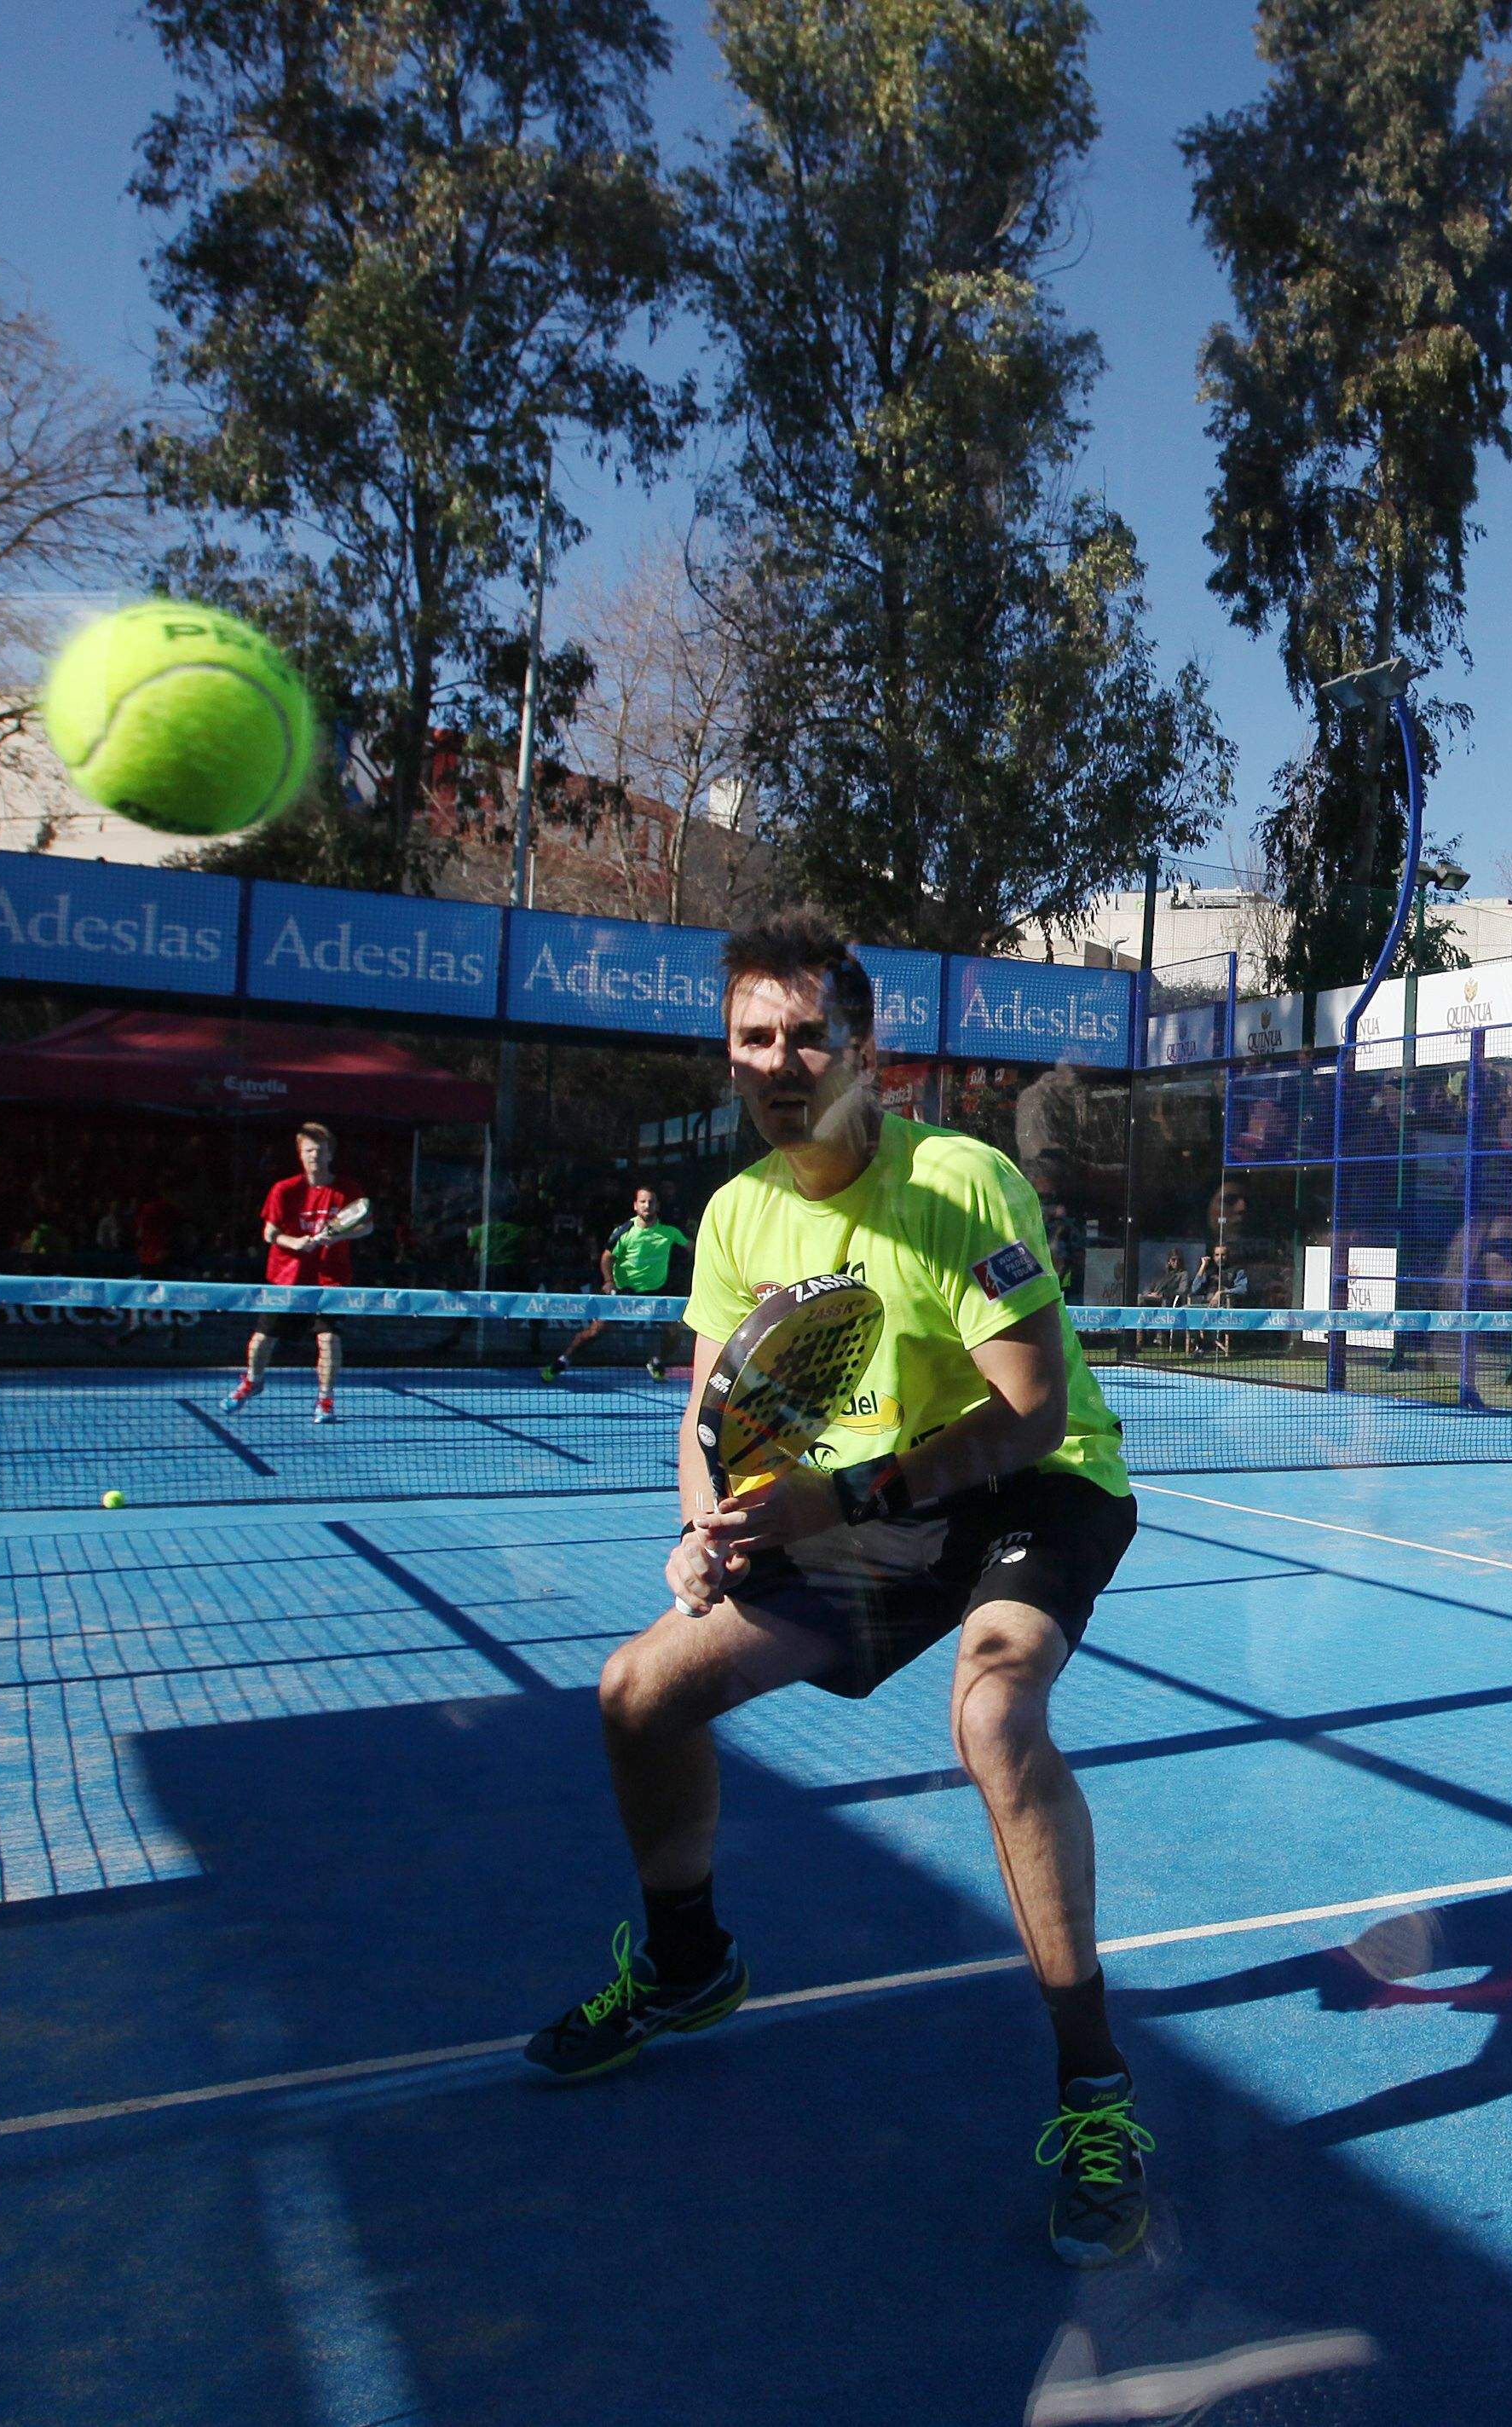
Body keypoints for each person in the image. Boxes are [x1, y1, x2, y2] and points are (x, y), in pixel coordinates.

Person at [522, 908, 1155, 2269]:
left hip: (1030, 1488)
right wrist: (705, 1528)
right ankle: (688, 1961)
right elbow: (712, 1415)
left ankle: (1095, 2088)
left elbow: (1031, 1414)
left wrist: (839, 1500)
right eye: (755, 1037)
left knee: (993, 1713)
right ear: (729, 1054)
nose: (781, 1058)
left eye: (810, 1033)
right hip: (867, 1505)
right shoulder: (734, 1213)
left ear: (865, 1047)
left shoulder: (958, 1180)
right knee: (637, 1690)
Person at [229, 1121, 369, 1423]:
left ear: (330, 1154)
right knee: (261, 1340)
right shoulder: (284, 1189)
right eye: (307, 1151)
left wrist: (341, 1236)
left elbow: (366, 1225)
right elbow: (269, 1233)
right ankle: (254, 1381)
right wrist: (295, 1242)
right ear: (299, 1154)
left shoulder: (347, 1190)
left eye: (319, 1151)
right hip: (286, 1279)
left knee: (329, 1340)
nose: (313, 1157)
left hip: (330, 1281)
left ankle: (325, 1401)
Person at [548, 1186, 692, 1382]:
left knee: (674, 1332)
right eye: (642, 1202)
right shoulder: (625, 1231)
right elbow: (606, 1258)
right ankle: (563, 1360)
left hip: (655, 1292)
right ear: (635, 1206)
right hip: (625, 1292)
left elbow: (694, 1249)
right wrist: (609, 1282)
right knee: (595, 1331)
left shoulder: (670, 1232)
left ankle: (657, 1362)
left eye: (651, 1202)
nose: (647, 1205)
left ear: (657, 1206)